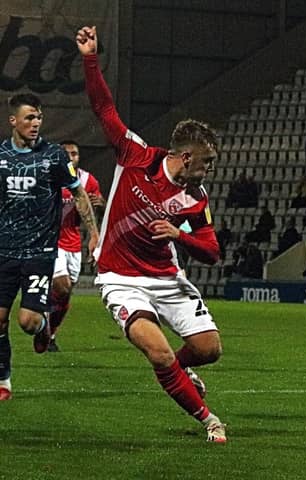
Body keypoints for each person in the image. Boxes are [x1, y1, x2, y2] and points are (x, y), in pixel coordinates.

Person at [76, 26, 226, 443]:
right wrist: (90, 57)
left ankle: (179, 372)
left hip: (166, 278)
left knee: (210, 349)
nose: (209, 170)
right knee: (157, 351)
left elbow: (213, 252)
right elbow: (103, 108)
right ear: (186, 156)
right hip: (120, 278)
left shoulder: (196, 198)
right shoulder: (136, 156)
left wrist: (179, 237)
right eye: (207, 162)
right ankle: (209, 420)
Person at [0, 94, 99, 400]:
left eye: (39, 117)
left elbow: (79, 194)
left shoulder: (54, 156)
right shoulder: (1, 155)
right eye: (29, 117)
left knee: (27, 322)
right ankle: (3, 381)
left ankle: (43, 326)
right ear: (13, 120)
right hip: (4, 250)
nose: (35, 123)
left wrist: (93, 233)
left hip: (40, 252)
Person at [48, 140, 105, 352]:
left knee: (66, 293)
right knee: (61, 286)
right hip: (51, 241)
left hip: (73, 243)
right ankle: (42, 312)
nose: (71, 157)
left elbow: (95, 207)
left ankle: (50, 334)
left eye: (75, 153)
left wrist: (101, 206)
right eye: (66, 153)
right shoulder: (48, 177)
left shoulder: (88, 180)